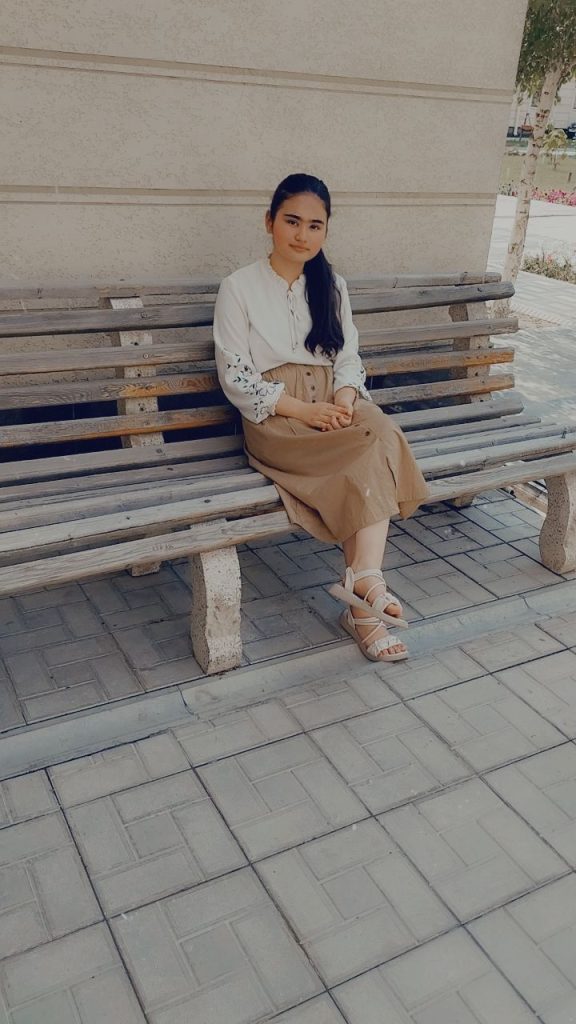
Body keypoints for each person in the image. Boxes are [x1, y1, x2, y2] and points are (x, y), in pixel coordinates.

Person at [213, 173, 429, 662]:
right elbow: (236, 375)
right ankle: (365, 604)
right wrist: (304, 410)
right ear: (269, 222)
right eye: (291, 221)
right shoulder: (239, 287)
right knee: (364, 457)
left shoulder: (331, 285)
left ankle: (364, 584)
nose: (302, 235)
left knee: (381, 432)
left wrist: (348, 399)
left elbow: (348, 354)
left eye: (315, 225)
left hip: (333, 402)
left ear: (326, 231)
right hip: (277, 417)